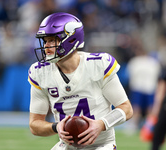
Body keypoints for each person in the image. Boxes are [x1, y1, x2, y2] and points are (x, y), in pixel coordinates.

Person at [28, 12, 133, 150]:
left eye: (52, 40)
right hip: (67, 145)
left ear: (71, 39)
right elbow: (35, 124)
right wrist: (56, 126)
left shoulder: (98, 65)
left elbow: (127, 109)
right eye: (45, 41)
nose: (47, 46)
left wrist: (101, 124)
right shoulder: (40, 72)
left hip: (102, 144)